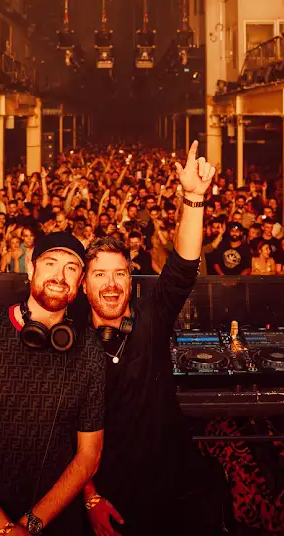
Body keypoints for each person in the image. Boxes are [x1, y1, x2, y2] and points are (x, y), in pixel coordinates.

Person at [82, 141, 225, 536]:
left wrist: (193, 198)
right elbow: (62, 430)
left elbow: (182, 269)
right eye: (100, 275)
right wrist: (90, 496)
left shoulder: (151, 317)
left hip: (167, 487)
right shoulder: (72, 340)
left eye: (120, 274)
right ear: (84, 285)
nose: (111, 284)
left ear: (131, 280)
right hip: (107, 489)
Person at [0, 232, 105, 536]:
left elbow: (89, 454)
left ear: (80, 281)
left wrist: (31, 524)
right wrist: (1, 528)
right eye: (50, 263)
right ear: (30, 268)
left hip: (55, 521)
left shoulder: (89, 349)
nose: (59, 276)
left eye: (70, 268)